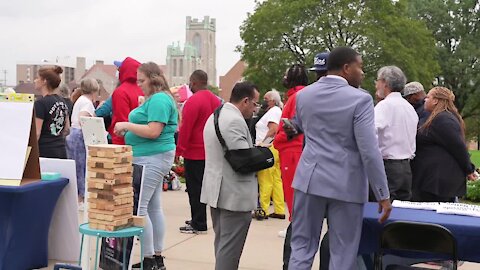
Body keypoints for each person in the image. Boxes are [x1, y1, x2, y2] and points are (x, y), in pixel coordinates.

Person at [287, 47, 392, 270]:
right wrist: (382, 193)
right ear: (346, 68)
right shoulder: (361, 100)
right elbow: (369, 150)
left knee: (302, 247)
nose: (362, 73)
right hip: (346, 183)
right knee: (342, 253)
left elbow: (303, 128)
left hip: (309, 179)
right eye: (360, 67)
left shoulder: (304, 95)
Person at [114, 62, 178, 270]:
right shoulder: (158, 99)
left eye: (142, 80)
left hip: (151, 157)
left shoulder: (159, 99)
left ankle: (149, 258)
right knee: (153, 207)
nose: (139, 84)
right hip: (153, 156)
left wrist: (127, 125)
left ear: (153, 79)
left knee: (140, 209)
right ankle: (155, 257)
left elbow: (153, 131)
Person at [201, 81, 260, 270]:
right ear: (245, 101)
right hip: (233, 194)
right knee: (229, 251)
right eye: (254, 104)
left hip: (218, 191)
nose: (255, 108)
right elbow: (244, 159)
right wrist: (265, 156)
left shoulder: (216, 115)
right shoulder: (234, 120)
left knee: (222, 245)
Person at [411, 87, 476, 202]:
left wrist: (469, 169)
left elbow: (458, 147)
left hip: (437, 184)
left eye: (428, 97)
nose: (425, 100)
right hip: (432, 181)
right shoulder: (438, 118)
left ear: (436, 101)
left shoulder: (443, 120)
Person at [176, 70, 221, 234]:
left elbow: (186, 127)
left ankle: (198, 221)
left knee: (195, 189)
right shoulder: (216, 101)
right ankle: (201, 219)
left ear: (194, 82)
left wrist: (180, 149)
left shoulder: (193, 101)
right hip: (212, 151)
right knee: (207, 188)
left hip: (195, 152)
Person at [374, 66, 418, 200]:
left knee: (382, 211)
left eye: (377, 81)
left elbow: (371, 134)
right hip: (406, 168)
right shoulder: (409, 108)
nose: (376, 85)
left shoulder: (384, 106)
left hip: (388, 167)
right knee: (401, 211)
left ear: (385, 83)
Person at [66, 78, 99, 208]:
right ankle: (82, 198)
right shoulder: (88, 103)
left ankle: (76, 197)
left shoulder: (80, 100)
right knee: (82, 167)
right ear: (95, 90)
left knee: (75, 167)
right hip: (80, 135)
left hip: (72, 134)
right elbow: (83, 117)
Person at [254, 90, 285, 220]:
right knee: (276, 179)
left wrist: (263, 143)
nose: (264, 102)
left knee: (265, 179)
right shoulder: (277, 111)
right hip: (275, 149)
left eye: (266, 99)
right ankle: (279, 209)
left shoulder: (273, 112)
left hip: (268, 148)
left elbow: (273, 129)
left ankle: (263, 209)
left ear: (272, 100)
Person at [34, 66, 70, 159]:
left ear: (44, 81)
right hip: (61, 150)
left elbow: (36, 133)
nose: (35, 80)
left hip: (45, 152)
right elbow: (67, 129)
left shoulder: (40, 104)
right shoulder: (63, 102)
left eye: (37, 78)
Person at [110, 57, 144, 145]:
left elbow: (121, 119)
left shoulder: (121, 91)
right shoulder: (143, 89)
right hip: (142, 140)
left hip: (125, 142)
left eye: (119, 69)